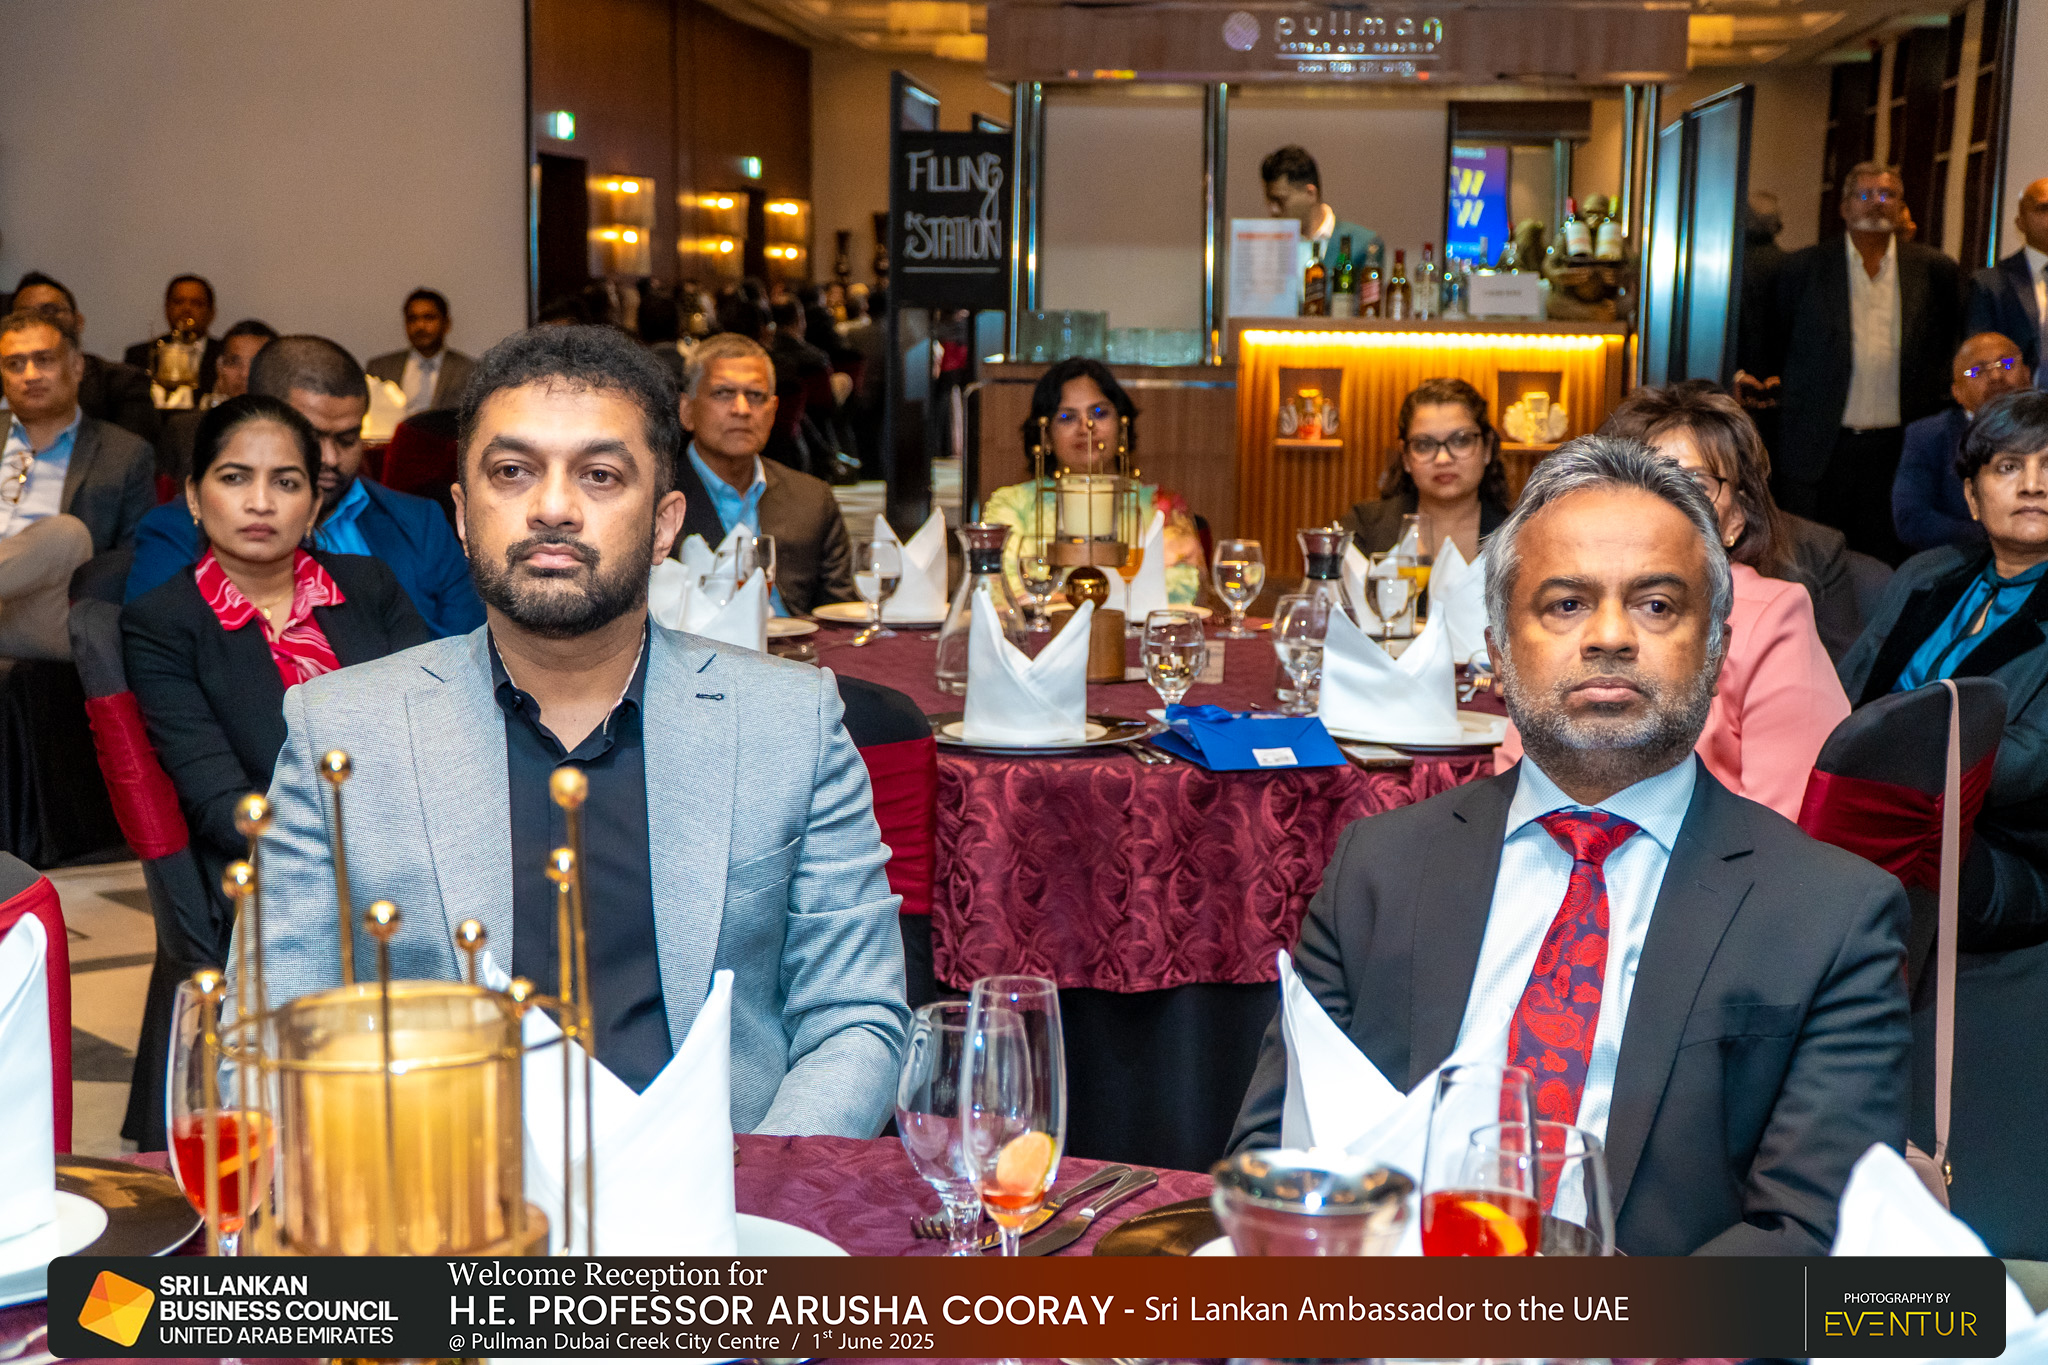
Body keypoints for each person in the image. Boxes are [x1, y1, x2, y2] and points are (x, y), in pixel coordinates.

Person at [1233, 436, 1911, 1255]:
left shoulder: (1831, 914)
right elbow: (1275, 1162)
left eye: (1656, 604)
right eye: (1565, 604)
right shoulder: (1378, 870)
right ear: (1497, 650)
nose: (1611, 635)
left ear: (1717, 648)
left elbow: (1813, 1238)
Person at [243, 323, 908, 1134]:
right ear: (463, 514)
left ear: (664, 523)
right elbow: (267, 1038)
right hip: (447, 1191)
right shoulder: (342, 731)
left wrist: (752, 1190)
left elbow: (855, 1019)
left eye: (600, 475)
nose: (553, 508)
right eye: (512, 471)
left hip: (727, 1187)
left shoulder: (788, 721)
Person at [122, 395, 431, 967]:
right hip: (273, 879)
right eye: (235, 478)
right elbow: (220, 804)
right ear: (194, 496)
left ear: (314, 506)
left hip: (412, 850)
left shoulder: (369, 585)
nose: (260, 502)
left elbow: (432, 728)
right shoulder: (163, 623)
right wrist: (360, 852)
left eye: (286, 483)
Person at [1499, 385, 1850, 821]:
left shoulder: (1774, 615)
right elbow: (1517, 781)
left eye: (1693, 485)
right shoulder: (1555, 606)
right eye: (1639, 481)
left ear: (1737, 518)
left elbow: (1788, 822)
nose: (1664, 504)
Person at [1841, 388, 2048, 943]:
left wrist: (1875, 756)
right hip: (1879, 816)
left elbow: (2024, 766)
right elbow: (1847, 695)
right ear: (1973, 497)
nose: (2033, 485)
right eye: (2009, 466)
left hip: (2003, 850)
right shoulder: (1926, 574)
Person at [125, 335, 482, 637]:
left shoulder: (420, 522)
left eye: (347, 438)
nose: (329, 458)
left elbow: (470, 651)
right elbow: (165, 652)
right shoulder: (178, 530)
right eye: (311, 437)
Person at [1754, 162, 1963, 564]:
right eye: (1864, 195)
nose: (1876, 203)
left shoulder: (1935, 271)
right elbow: (1774, 348)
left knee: (1889, 563)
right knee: (1811, 562)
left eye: (1888, 195)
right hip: (1819, 450)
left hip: (1899, 449)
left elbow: (1945, 352)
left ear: (1902, 206)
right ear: (1844, 207)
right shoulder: (1801, 269)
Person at [982, 357, 1205, 605]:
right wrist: (1121, 591)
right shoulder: (1014, 504)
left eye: (1099, 413)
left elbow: (1181, 592)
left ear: (1122, 427)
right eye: (1067, 417)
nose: (1086, 427)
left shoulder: (1158, 506)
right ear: (1045, 436)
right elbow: (1001, 592)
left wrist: (1060, 596)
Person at [0, 310, 154, 658]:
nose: (30, 375)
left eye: (44, 360)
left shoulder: (124, 454)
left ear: (77, 366)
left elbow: (135, 559)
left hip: (51, 614)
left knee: (66, 535)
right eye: (14, 364)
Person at [674, 332, 855, 617]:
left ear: (773, 412)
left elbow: (841, 615)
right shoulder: (655, 498)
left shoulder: (811, 499)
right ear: (686, 411)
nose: (742, 409)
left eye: (755, 396)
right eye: (723, 393)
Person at [1341, 377, 1510, 562]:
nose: (1443, 459)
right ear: (1405, 457)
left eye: (1461, 440)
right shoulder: (1365, 527)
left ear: (1487, 448)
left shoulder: (1517, 532)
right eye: (1424, 444)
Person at [1894, 332, 2030, 554]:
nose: (1996, 376)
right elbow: (1911, 519)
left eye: (2006, 364)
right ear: (1957, 392)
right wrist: (2000, 534)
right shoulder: (1929, 437)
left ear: (2027, 374)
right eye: (1977, 371)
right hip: (1964, 558)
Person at [8, 272, 156, 444]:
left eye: (50, 311)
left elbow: (130, 453)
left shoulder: (124, 384)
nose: (39, 322)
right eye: (25, 315)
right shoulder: (5, 383)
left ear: (78, 321)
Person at [156, 319, 280, 484]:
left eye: (255, 363)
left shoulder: (292, 432)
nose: (244, 374)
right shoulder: (184, 431)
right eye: (234, 362)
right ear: (219, 367)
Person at [1261, 145, 1379, 301]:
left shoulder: (1363, 245)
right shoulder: (1267, 245)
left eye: (1280, 200)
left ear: (1310, 194)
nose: (1273, 209)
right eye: (1270, 201)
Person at [1964, 178, 2048, 380]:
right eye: (2043, 209)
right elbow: (1980, 359)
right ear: (2020, 222)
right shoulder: (1990, 283)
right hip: (2019, 396)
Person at [365, 288, 477, 417]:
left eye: (429, 318)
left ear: (447, 324)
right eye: (412, 319)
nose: (420, 326)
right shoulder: (380, 369)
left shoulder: (469, 370)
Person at [125, 273, 222, 398]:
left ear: (211, 312)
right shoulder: (140, 354)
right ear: (167, 308)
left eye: (196, 303)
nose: (186, 309)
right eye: (178, 302)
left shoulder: (224, 354)